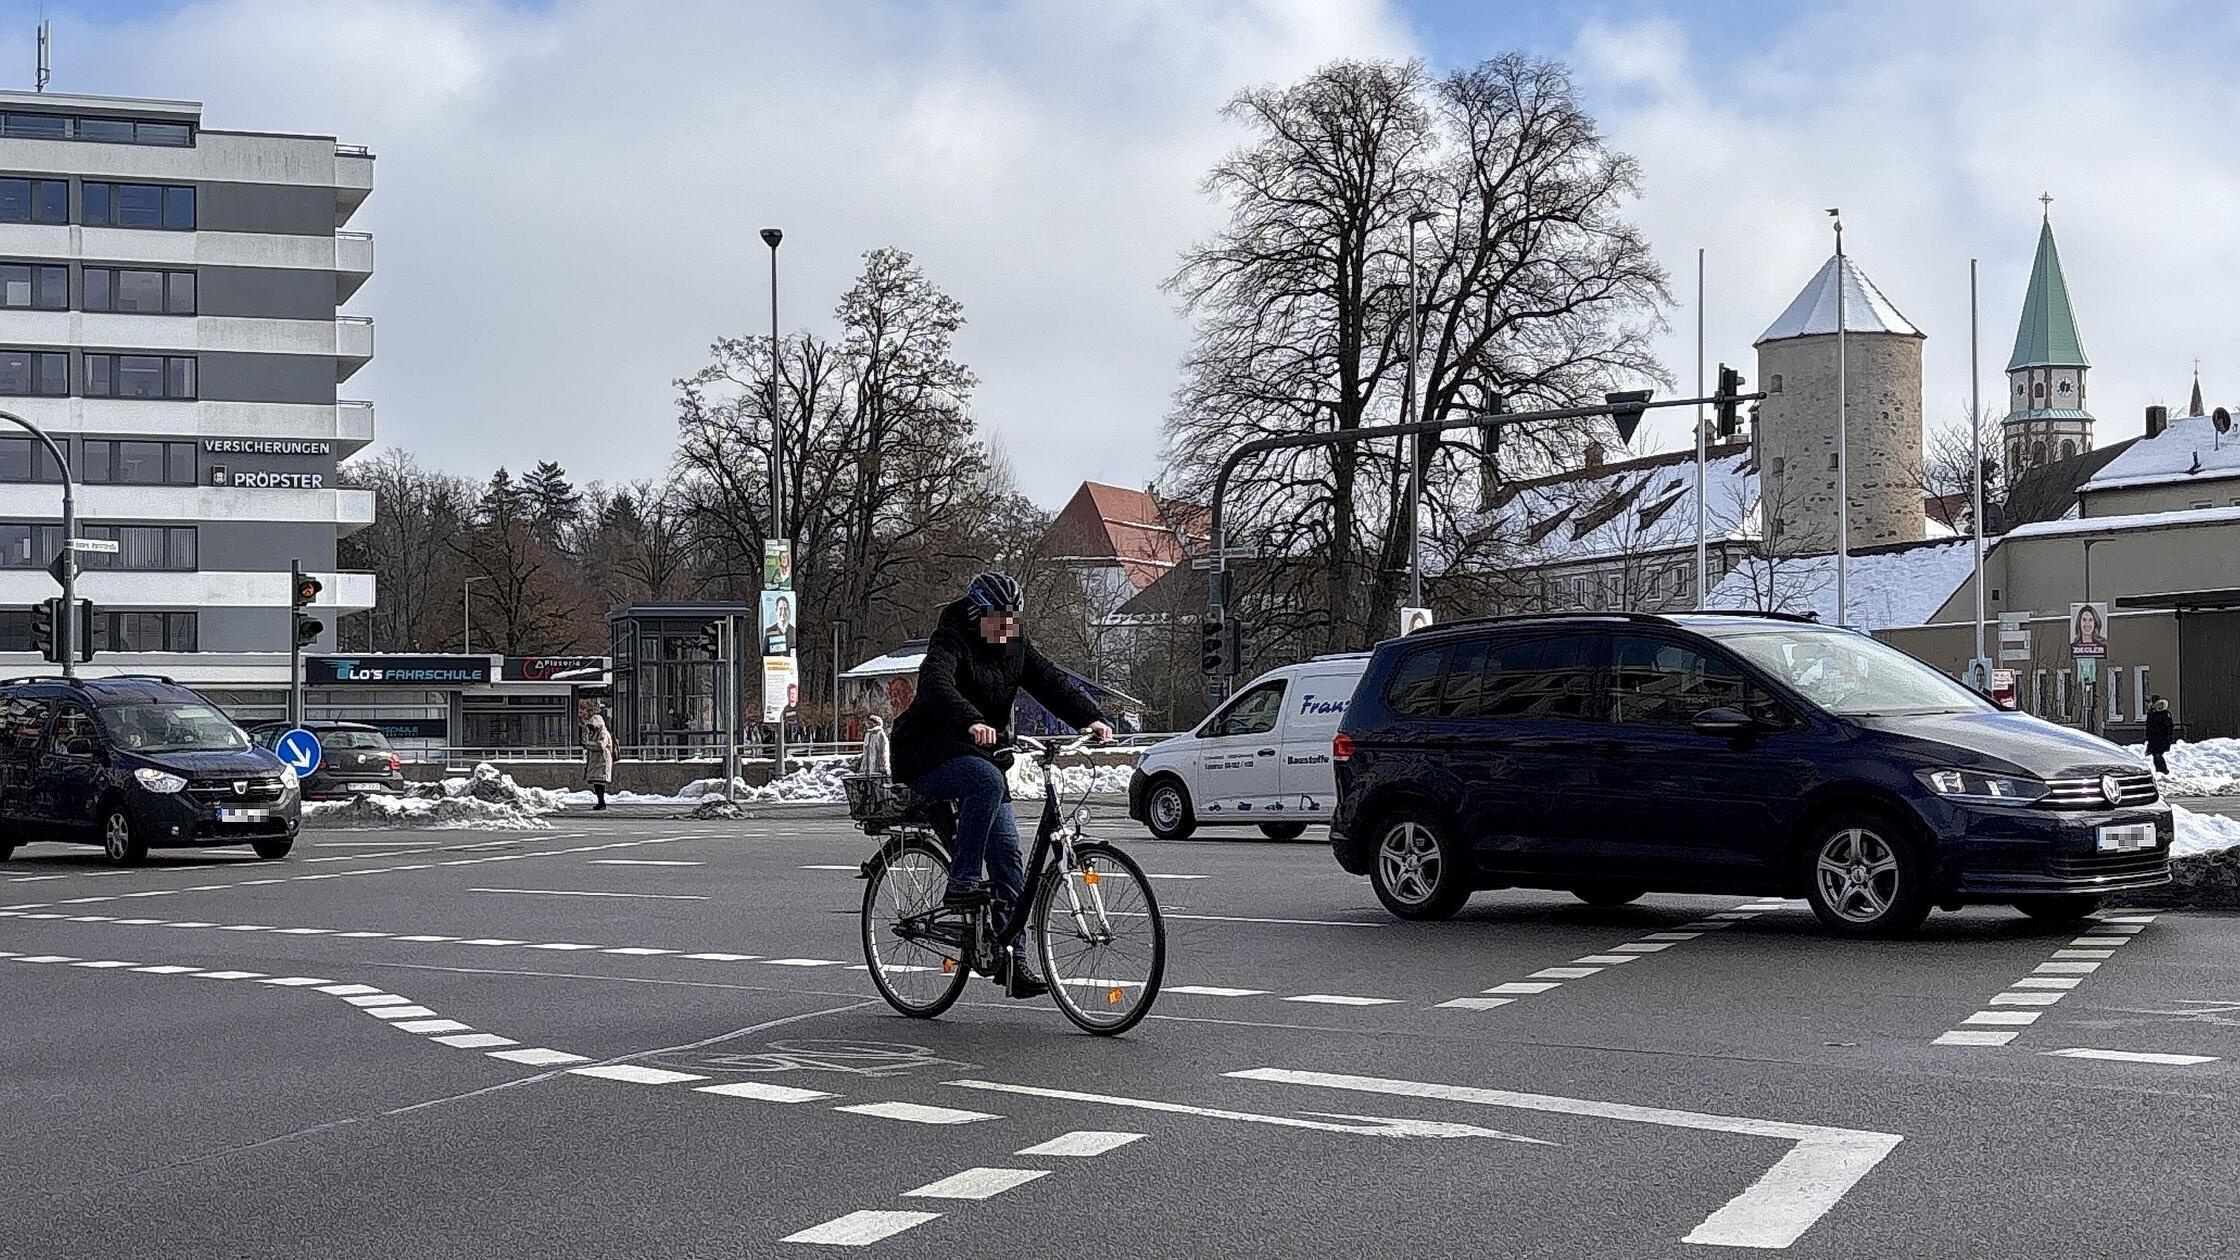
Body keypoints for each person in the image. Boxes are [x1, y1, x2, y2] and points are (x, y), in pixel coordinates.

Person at [891, 571, 1113, 999]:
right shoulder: (951, 638)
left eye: (1014, 619)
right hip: (929, 751)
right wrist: (970, 720)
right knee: (988, 780)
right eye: (1000, 619)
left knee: (1010, 859)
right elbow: (935, 685)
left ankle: (1015, 960)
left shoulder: (1015, 646)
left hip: (979, 756)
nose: (1008, 628)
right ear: (978, 616)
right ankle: (962, 883)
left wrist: (1091, 717)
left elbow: (1051, 682)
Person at [579, 697, 616, 811]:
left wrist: (588, 744)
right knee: (596, 782)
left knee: (599, 782)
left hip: (601, 761)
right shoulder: (594, 733)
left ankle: (602, 802)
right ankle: (600, 802)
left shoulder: (603, 732)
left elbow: (601, 745)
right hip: (596, 760)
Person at [2146, 695, 2175, 775]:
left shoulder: (2164, 714)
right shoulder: (2152, 713)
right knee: (2155, 755)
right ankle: (2159, 770)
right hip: (2154, 738)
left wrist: (2168, 738)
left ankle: (2163, 770)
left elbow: (2168, 727)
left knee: (2158, 754)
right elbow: (2149, 726)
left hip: (2161, 738)